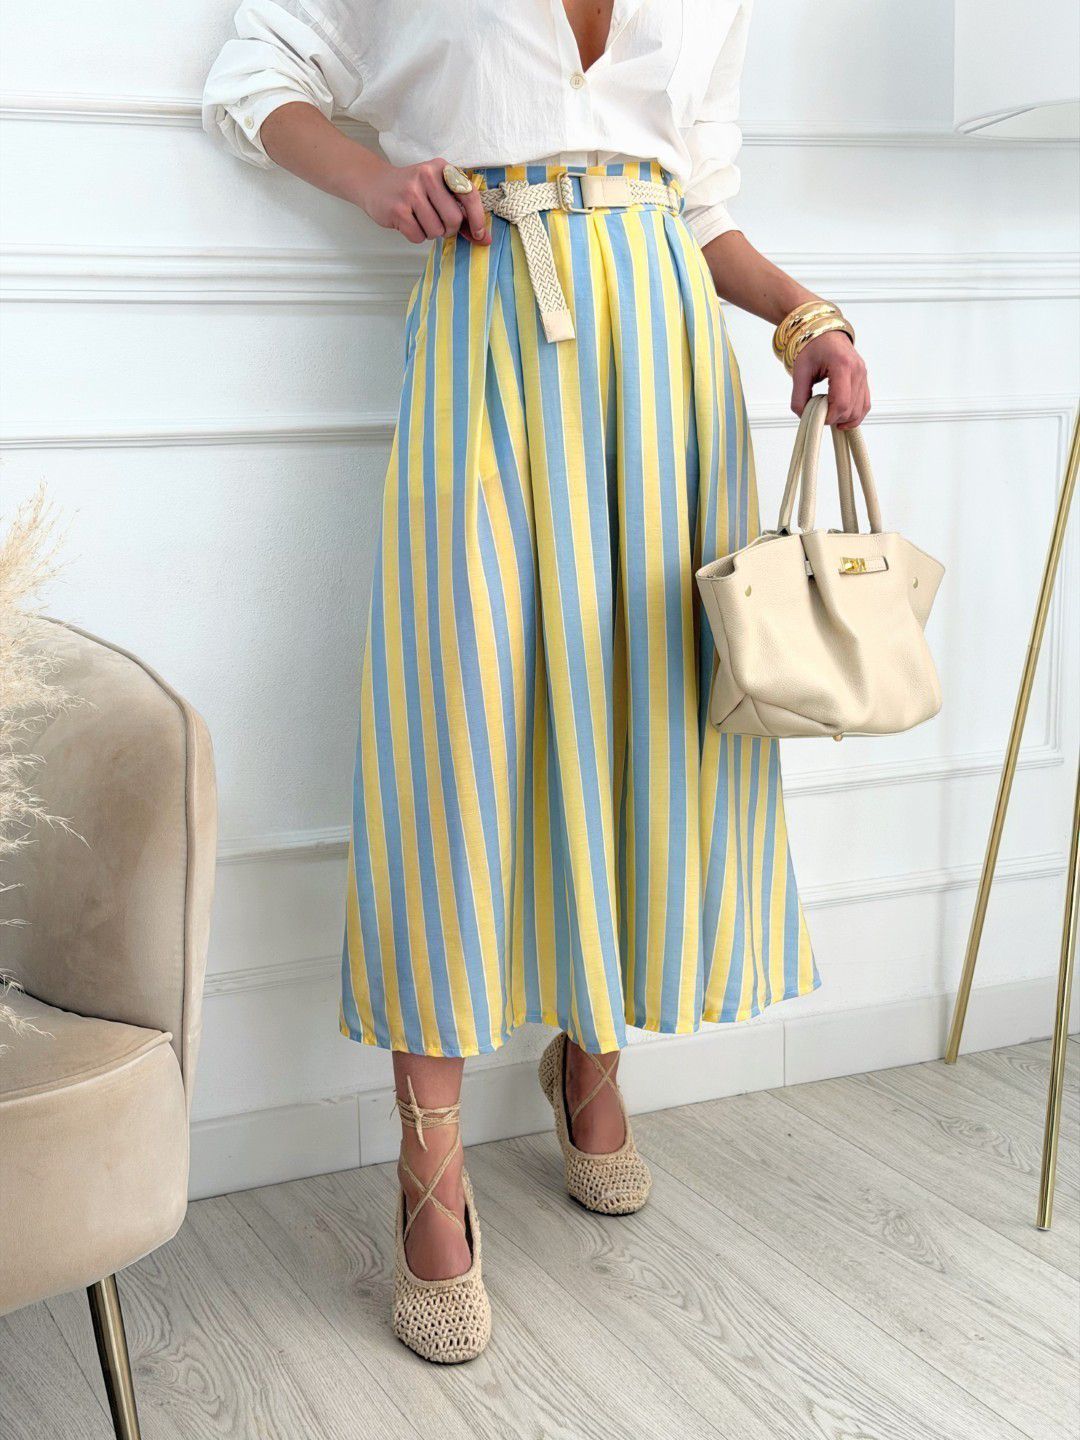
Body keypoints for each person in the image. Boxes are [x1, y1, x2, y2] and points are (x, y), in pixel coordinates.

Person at [203, 0, 870, 1365]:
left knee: (641, 712)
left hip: (666, 361)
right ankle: (429, 1158)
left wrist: (803, 315)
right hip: (490, 320)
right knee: (457, 723)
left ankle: (593, 1050)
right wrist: (375, 179)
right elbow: (253, 73)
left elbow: (696, 201)